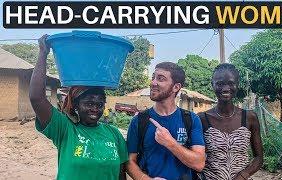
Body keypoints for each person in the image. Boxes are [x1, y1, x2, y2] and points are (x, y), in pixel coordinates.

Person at [29, 35, 128, 180]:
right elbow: (36, 98)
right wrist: (43, 53)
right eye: (89, 103)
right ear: (76, 105)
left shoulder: (114, 134)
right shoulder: (65, 129)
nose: (95, 108)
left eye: (99, 104)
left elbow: (121, 174)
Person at [126, 62, 206, 180]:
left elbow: (199, 164)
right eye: (153, 77)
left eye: (160, 79)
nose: (153, 82)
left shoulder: (191, 119)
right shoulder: (139, 121)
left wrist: (170, 143)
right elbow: (129, 161)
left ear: (176, 87)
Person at [198, 63, 263, 180]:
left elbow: (258, 158)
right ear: (212, 85)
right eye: (220, 84)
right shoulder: (202, 119)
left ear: (237, 85)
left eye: (231, 83)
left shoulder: (249, 117)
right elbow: (195, 157)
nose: (225, 88)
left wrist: (242, 176)